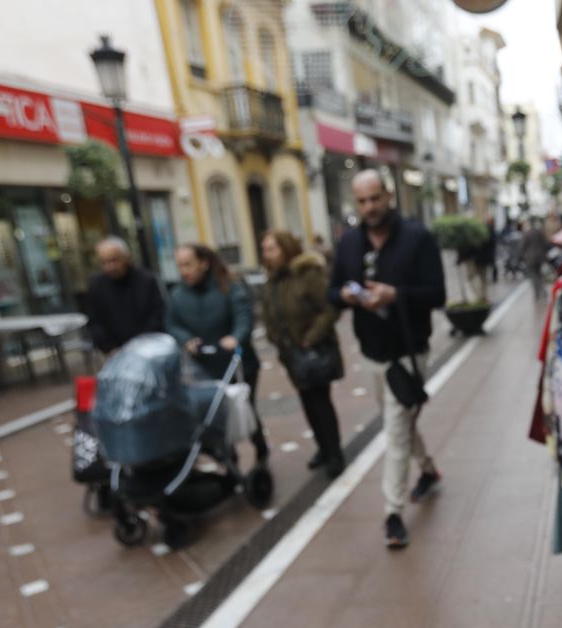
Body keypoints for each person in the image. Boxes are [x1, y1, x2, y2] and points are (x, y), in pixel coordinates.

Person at [328, 169, 445, 549]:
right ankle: (428, 470)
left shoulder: (417, 238)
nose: (369, 207)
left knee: (395, 431)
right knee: (400, 420)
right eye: (362, 201)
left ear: (388, 196)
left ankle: (392, 513)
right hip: (371, 352)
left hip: (408, 353)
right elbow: (332, 291)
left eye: (375, 198)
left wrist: (396, 295)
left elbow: (437, 294)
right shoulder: (349, 244)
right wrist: (345, 296)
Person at [166, 243, 269, 462]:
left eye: (188, 264)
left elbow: (244, 316)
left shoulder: (228, 286)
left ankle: (259, 445)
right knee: (216, 414)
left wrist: (236, 337)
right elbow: (172, 323)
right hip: (206, 367)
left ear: (203, 264)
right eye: (180, 266)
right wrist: (186, 339)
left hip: (239, 364)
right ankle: (228, 455)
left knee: (244, 406)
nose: (184, 271)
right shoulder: (177, 295)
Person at [261, 229, 345, 478]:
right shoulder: (272, 280)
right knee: (307, 401)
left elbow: (330, 309)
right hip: (291, 354)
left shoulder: (307, 275)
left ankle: (334, 452)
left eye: (272, 248)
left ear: (286, 249)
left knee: (321, 402)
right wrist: (275, 338)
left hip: (314, 350)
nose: (267, 254)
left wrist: (312, 336)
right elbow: (269, 313)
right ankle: (322, 447)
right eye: (264, 249)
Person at [84, 236, 166, 354]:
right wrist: (109, 347)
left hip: (148, 348)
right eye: (104, 262)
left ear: (127, 257)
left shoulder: (146, 280)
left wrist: (140, 344)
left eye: (114, 260)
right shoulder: (97, 285)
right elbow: (94, 321)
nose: (110, 267)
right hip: (114, 352)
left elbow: (157, 314)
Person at [520, 217, 550, 301]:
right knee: (540, 274)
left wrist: (521, 256)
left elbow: (522, 246)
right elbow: (545, 244)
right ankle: (543, 291)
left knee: (534, 276)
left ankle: (537, 293)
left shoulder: (527, 234)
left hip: (531, 257)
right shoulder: (539, 232)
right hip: (540, 257)